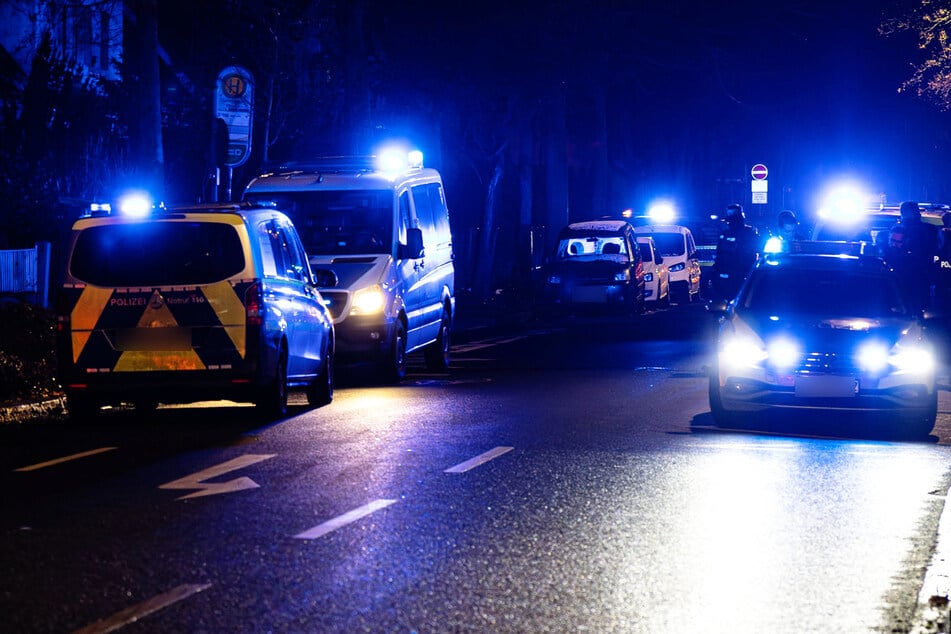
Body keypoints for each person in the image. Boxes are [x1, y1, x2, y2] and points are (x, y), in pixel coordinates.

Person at [884, 201, 939, 313]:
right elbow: (938, 249)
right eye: (917, 210)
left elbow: (893, 250)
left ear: (903, 213)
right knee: (920, 308)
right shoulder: (930, 230)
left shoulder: (899, 229)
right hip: (922, 275)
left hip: (903, 275)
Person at [710, 203, 761, 302]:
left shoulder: (748, 233)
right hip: (725, 274)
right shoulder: (725, 234)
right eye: (729, 214)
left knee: (743, 300)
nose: (730, 218)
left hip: (742, 274)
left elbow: (756, 249)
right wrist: (716, 270)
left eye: (733, 214)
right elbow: (720, 253)